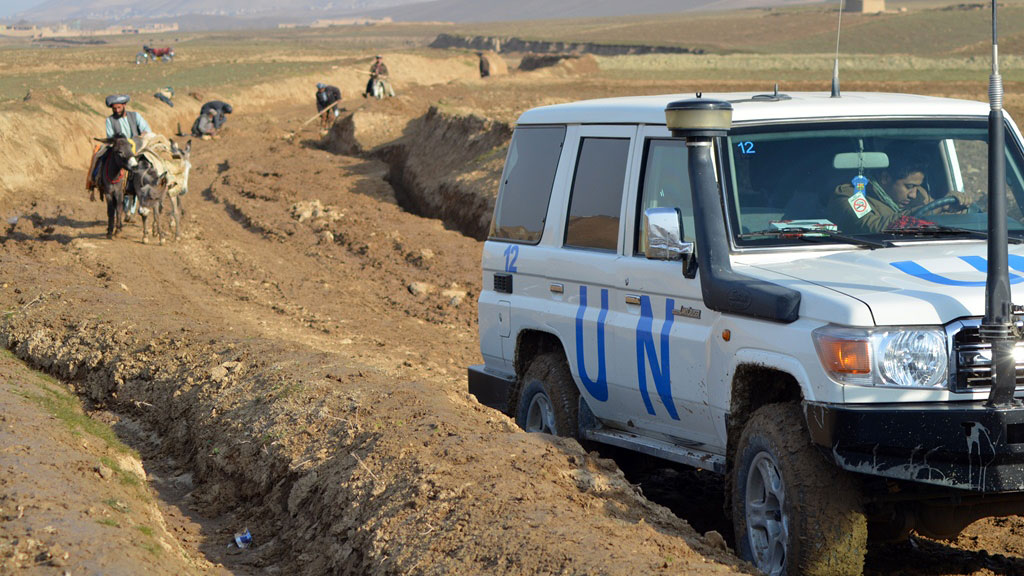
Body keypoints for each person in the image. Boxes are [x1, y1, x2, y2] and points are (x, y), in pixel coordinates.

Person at [826, 151, 977, 233]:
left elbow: (939, 220)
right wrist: (923, 212)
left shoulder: (919, 194)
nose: (913, 194)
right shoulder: (851, 195)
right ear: (885, 178)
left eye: (916, 186)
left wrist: (956, 208)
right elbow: (870, 226)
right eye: (908, 186)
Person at [87, 94, 151, 197]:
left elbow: (146, 130)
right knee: (98, 153)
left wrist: (139, 136)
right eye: (114, 108)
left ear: (124, 105)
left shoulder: (135, 116)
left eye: (119, 107)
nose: (117, 110)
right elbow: (110, 136)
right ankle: (94, 179)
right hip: (119, 147)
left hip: (136, 146)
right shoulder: (109, 120)